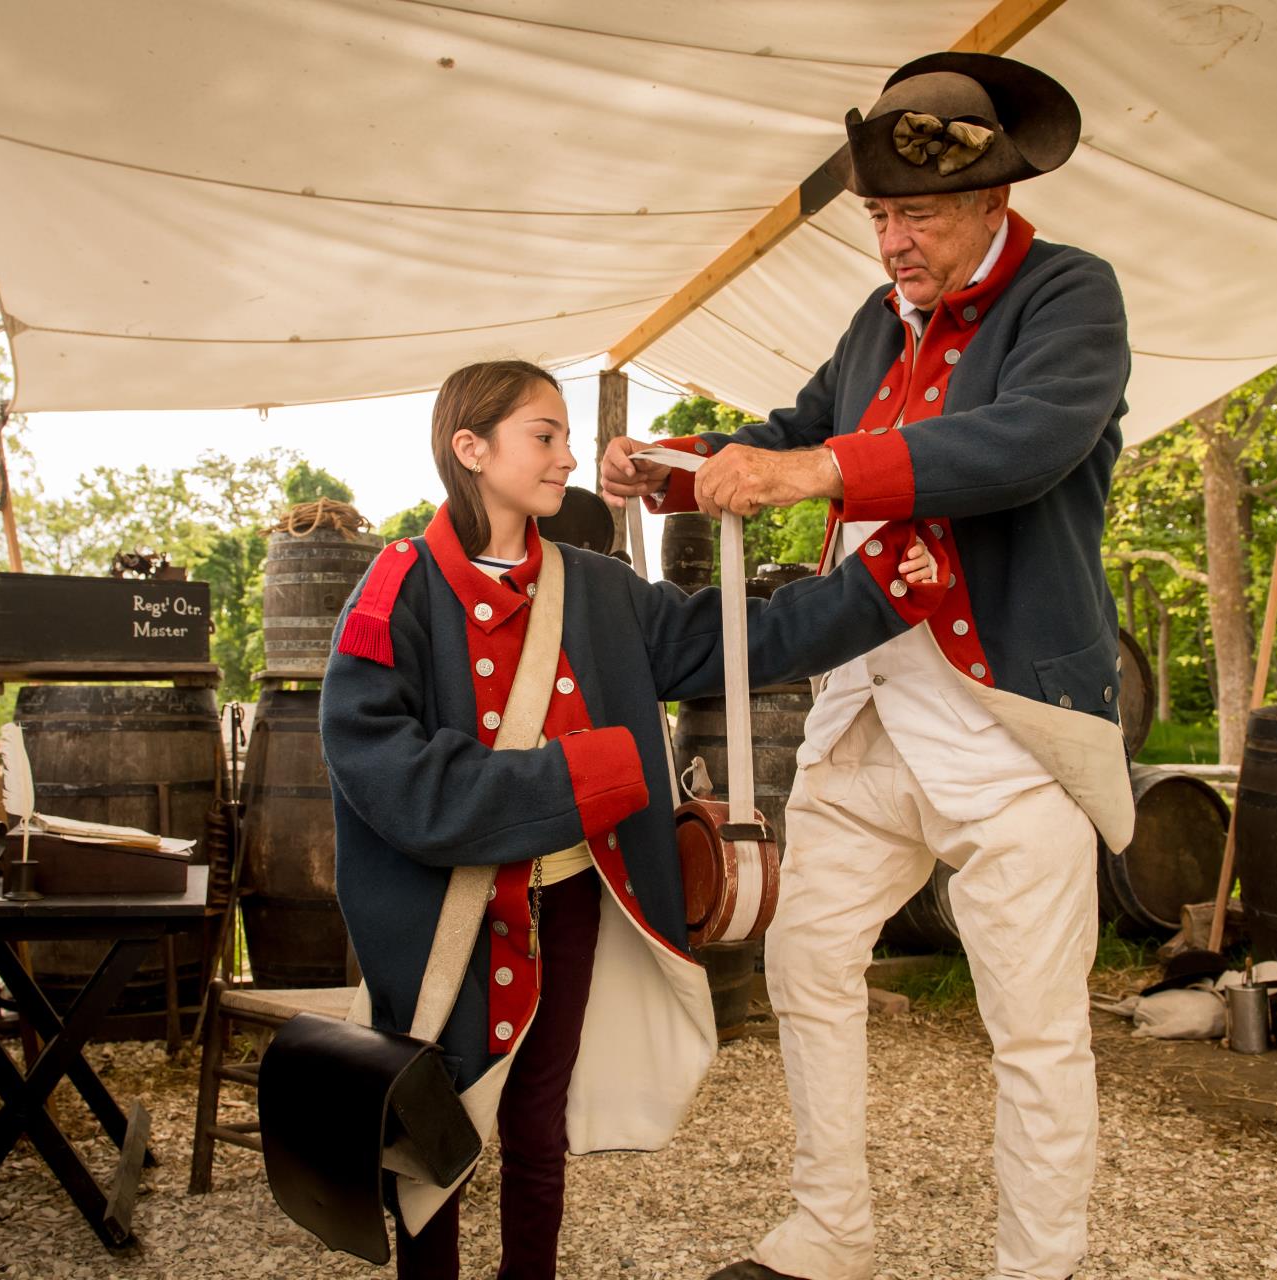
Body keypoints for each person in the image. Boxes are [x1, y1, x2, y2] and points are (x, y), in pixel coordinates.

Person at [600, 52, 1137, 1280]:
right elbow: (791, 433)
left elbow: (1026, 443)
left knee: (1037, 1031)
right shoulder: (870, 323)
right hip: (869, 709)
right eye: (882, 214)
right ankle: (830, 1227)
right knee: (804, 955)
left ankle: (1036, 1267)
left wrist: (818, 473)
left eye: (922, 212)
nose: (895, 239)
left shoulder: (1070, 293)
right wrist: (672, 459)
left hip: (1013, 721)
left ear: (995, 199)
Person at [319, 359, 945, 1280]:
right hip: (438, 918)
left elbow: (738, 633)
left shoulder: (597, 589)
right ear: (472, 448)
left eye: (566, 435)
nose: (570, 456)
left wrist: (880, 588)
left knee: (539, 1122)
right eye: (545, 435)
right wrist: (596, 774)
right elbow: (392, 776)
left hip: (570, 896)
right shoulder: (396, 590)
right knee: (429, 1132)